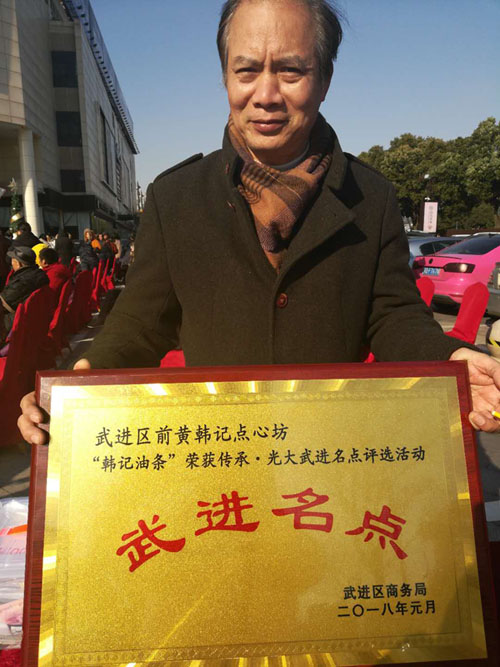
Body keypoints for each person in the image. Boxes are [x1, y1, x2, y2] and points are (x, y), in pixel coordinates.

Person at [18, 0, 500, 444]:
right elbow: (141, 322)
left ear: (325, 79)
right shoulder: (177, 197)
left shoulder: (371, 197)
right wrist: (81, 379)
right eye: (246, 70)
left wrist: (450, 360)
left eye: (291, 71)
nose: (265, 95)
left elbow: (393, 314)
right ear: (226, 76)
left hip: (329, 450)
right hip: (219, 450)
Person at [0, 246, 49, 343]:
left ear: (19, 264)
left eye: (13, 260)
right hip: (35, 319)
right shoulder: (40, 274)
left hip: (14, 322)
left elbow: (4, 303)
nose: (11, 263)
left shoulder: (22, 282)